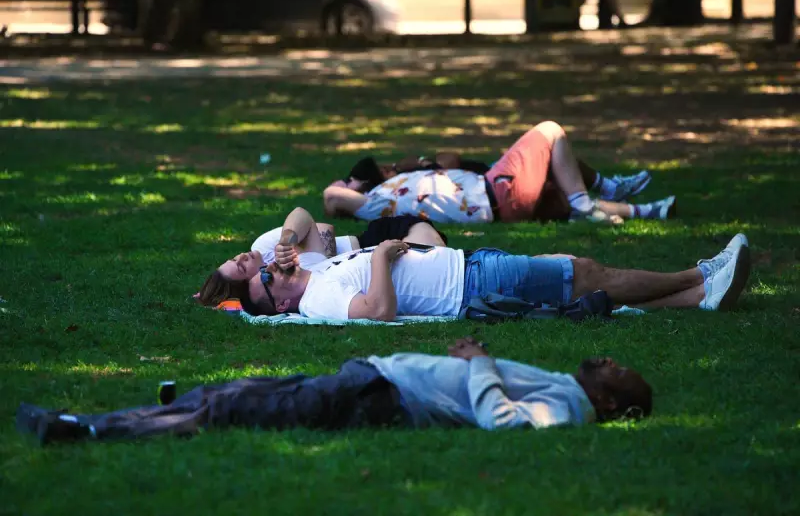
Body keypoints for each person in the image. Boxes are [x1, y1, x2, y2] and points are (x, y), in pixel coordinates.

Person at [15, 337, 652, 446]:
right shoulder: (567, 387)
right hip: (370, 377)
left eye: (625, 374)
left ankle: (83, 429)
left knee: (231, 408)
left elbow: (506, 426)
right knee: (227, 391)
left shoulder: (568, 409)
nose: (615, 362)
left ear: (615, 406)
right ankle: (103, 419)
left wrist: (480, 363)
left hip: (382, 399)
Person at [244, 233, 751, 320]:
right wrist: (384, 256)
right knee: (589, 274)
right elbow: (378, 312)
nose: (270, 271)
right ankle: (699, 274)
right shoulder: (317, 304)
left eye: (264, 269)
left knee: (576, 272)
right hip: (475, 285)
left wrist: (285, 250)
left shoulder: (311, 276)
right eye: (265, 282)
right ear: (281, 306)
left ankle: (699, 297)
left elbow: (310, 224)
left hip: (474, 269)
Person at [322, 121, 676, 225]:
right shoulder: (376, 204)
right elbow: (331, 195)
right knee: (550, 131)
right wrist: (344, 188)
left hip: (501, 202)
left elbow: (449, 157)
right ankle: (599, 194)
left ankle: (646, 210)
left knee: (558, 190)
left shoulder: (394, 188)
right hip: (497, 191)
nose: (344, 181)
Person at [197, 206, 448, 307]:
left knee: (436, 256)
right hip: (376, 262)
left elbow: (319, 225)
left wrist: (289, 242)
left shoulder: (268, 249)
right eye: (241, 267)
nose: (241, 256)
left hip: (375, 239)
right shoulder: (294, 287)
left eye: (234, 258)